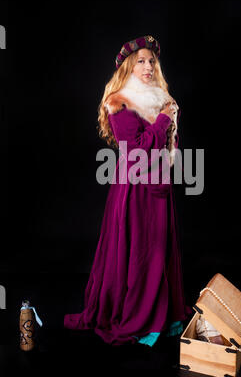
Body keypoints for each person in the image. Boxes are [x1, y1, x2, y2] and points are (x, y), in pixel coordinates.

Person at [64, 35, 192, 346]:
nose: (148, 66)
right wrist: (164, 118)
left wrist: (167, 121)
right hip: (134, 188)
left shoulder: (161, 97)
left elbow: (166, 150)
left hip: (158, 184)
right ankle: (139, 317)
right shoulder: (118, 101)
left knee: (159, 250)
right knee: (140, 252)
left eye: (151, 61)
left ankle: (163, 313)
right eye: (141, 61)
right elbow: (136, 150)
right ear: (128, 68)